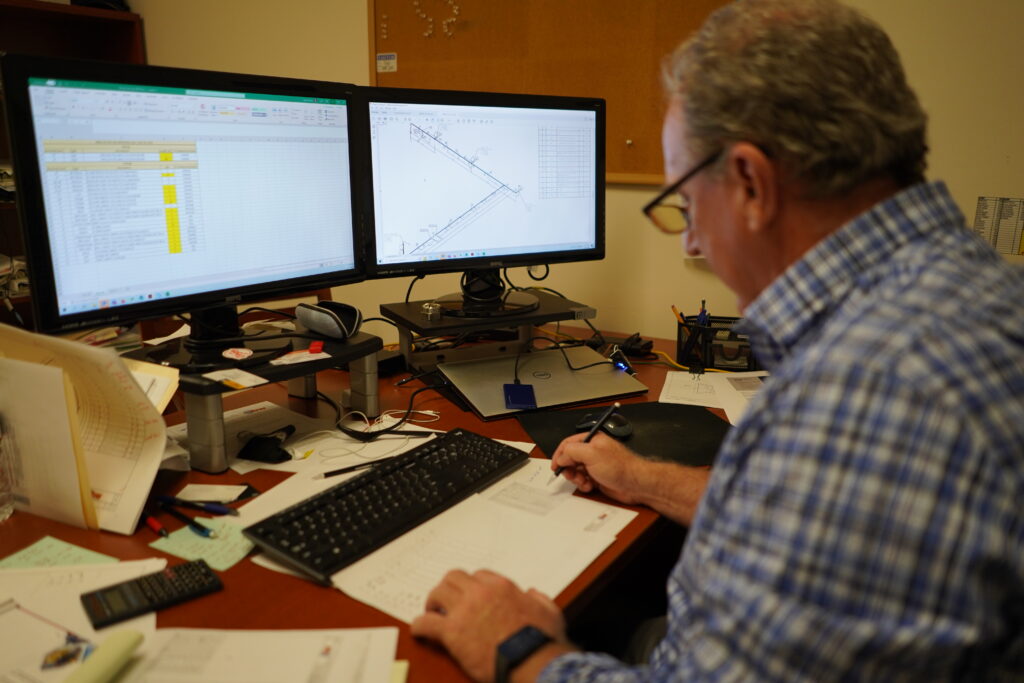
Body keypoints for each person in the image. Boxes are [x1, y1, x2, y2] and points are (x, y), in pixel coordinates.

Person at [410, 0, 1024, 680]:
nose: (693, 239)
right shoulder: (974, 292)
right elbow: (818, 519)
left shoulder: (865, 389)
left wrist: (517, 645)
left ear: (752, 184)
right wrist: (645, 477)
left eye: (687, 204)